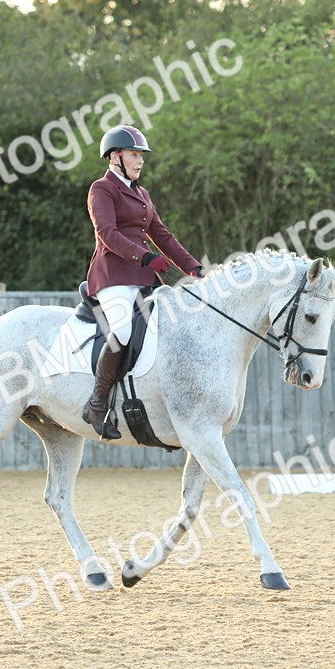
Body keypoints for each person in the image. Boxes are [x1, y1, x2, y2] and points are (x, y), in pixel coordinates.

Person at [81, 125, 204, 439]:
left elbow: (162, 235)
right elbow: (106, 234)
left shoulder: (142, 193)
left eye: (141, 156)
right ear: (115, 156)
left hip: (144, 277)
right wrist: (144, 257)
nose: (140, 161)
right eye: (134, 155)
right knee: (122, 330)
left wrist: (193, 268)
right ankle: (97, 403)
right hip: (113, 275)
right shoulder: (102, 189)